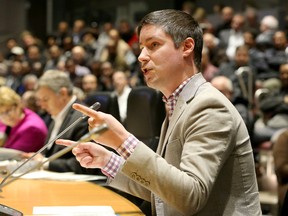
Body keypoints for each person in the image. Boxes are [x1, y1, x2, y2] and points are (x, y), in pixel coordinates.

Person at [56, 9, 261, 215]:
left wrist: (122, 140)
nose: (141, 57)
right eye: (141, 47)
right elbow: (164, 190)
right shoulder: (178, 103)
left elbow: (190, 196)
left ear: (187, 47)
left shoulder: (209, 106)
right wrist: (107, 160)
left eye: (153, 45)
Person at [22, 70, 98, 174]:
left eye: (45, 99)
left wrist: (44, 162)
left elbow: (87, 163)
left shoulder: (84, 117)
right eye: (40, 100)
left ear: (63, 93)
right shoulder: (55, 116)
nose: (42, 106)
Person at [0, 86, 48, 152]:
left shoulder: (32, 128)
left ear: (18, 105)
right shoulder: (17, 117)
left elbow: (12, 155)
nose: (6, 116)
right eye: (1, 113)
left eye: (8, 110)